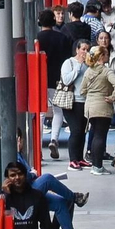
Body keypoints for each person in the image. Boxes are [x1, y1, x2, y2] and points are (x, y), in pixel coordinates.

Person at [11, 148, 86, 229]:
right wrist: (33, 173)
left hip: (30, 188)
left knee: (61, 202)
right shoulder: (12, 155)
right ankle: (75, 197)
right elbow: (25, 176)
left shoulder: (19, 154)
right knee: (47, 179)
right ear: (19, 140)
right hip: (22, 192)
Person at [36, 9, 73, 160]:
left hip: (40, 79)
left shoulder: (37, 38)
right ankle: (54, 139)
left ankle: (38, 147)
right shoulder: (62, 38)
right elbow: (67, 59)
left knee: (40, 113)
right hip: (58, 79)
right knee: (58, 111)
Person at [83, 44, 115, 176]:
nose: (108, 56)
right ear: (102, 56)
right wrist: (113, 97)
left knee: (94, 135)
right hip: (103, 105)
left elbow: (82, 89)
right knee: (100, 135)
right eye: (106, 54)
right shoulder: (106, 71)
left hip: (90, 107)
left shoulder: (89, 71)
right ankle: (98, 166)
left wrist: (90, 94)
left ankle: (95, 164)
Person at [60, 39, 92, 168]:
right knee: (76, 130)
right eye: (83, 49)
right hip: (72, 102)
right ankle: (73, 159)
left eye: (87, 49)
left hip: (85, 101)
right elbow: (66, 80)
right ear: (77, 50)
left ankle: (80, 157)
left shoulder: (89, 64)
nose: (85, 52)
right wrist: (78, 66)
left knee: (83, 130)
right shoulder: (69, 63)